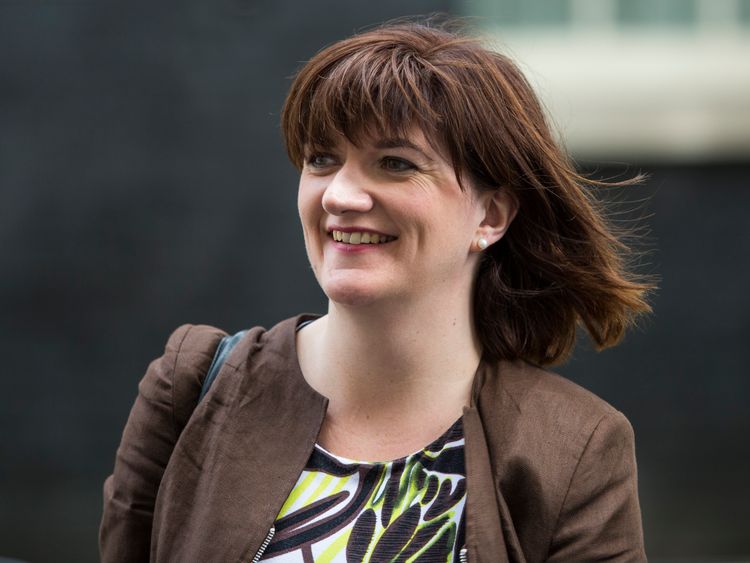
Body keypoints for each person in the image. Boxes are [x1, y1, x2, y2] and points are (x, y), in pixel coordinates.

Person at [100, 20, 653, 563]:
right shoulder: (192, 386)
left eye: (395, 164)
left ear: (490, 215)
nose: (340, 195)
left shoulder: (575, 447)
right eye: (322, 159)